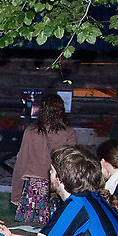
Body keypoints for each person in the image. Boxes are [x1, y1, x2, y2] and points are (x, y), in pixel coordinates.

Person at [11, 93, 77, 224]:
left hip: (34, 188)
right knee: (58, 228)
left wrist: (16, 195)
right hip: (59, 186)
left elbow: (21, 163)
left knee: (30, 228)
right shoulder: (69, 133)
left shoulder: (31, 131)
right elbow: (72, 164)